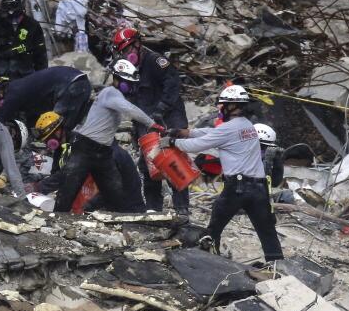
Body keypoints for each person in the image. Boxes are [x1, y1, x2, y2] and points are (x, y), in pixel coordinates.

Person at [162, 84, 283, 264]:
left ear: (232, 106)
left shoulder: (229, 128)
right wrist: (186, 132)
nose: (220, 109)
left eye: (223, 105)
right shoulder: (247, 125)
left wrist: (173, 142)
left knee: (214, 228)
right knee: (267, 232)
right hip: (259, 189)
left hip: (237, 188)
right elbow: (213, 132)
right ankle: (279, 268)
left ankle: (211, 264)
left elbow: (197, 145)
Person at [54, 59, 162, 213]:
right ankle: (56, 218)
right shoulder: (110, 93)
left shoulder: (117, 97)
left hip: (103, 152)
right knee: (69, 187)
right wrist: (151, 123)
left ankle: (120, 220)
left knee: (114, 192)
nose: (130, 87)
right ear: (117, 80)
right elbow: (129, 109)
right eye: (127, 83)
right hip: (85, 147)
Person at [113, 27, 190, 215]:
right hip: (147, 122)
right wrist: (137, 128)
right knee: (148, 166)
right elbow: (133, 99)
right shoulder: (128, 69)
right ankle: (153, 209)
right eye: (123, 51)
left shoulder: (155, 61)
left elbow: (173, 85)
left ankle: (182, 210)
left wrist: (161, 109)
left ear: (138, 44)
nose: (126, 54)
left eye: (128, 50)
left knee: (172, 161)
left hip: (169, 118)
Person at [0, 66, 92, 132]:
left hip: (71, 86)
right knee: (71, 127)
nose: (0, 105)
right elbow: (33, 118)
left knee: (57, 128)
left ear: (0, 92)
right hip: (81, 82)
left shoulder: (13, 92)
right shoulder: (24, 87)